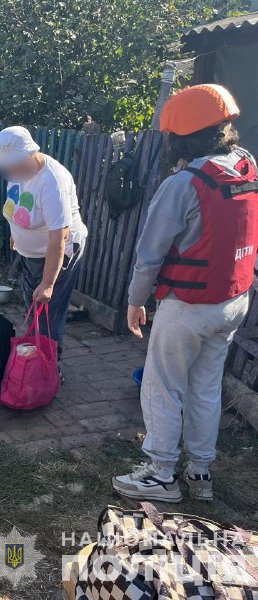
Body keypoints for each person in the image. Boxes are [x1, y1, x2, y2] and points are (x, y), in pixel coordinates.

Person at [113, 84, 258, 503]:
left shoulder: (184, 184)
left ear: (181, 137)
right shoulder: (247, 168)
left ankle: (160, 476)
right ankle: (200, 472)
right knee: (206, 386)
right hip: (234, 301)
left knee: (163, 387)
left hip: (188, 307)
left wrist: (136, 301)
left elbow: (149, 254)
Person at [0, 126, 88, 369]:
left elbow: (60, 237)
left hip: (58, 253)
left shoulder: (53, 181)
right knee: (32, 307)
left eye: (15, 165)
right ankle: (37, 363)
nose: (11, 171)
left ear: (30, 153)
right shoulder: (17, 173)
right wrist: (16, 236)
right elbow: (17, 206)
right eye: (8, 167)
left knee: (47, 314)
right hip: (31, 253)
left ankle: (49, 371)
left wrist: (48, 284)